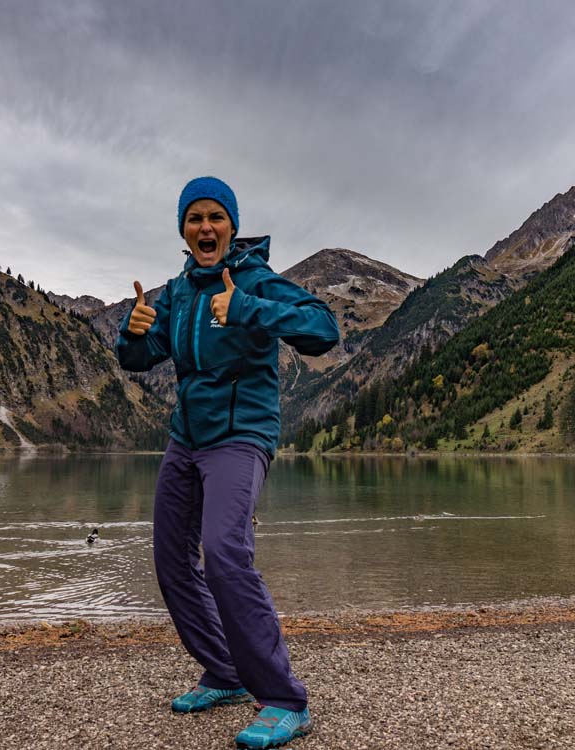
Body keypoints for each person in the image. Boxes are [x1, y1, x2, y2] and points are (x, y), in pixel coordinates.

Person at [116, 176, 339, 749]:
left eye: (216, 217)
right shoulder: (177, 293)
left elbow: (323, 330)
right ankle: (226, 672)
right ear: (183, 230)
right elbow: (141, 357)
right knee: (171, 559)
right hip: (186, 439)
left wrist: (247, 307)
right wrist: (133, 333)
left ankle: (285, 698)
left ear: (232, 226)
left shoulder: (256, 280)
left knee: (224, 553)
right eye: (195, 218)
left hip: (241, 437)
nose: (206, 227)